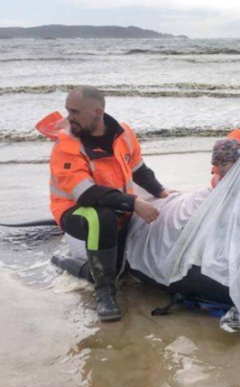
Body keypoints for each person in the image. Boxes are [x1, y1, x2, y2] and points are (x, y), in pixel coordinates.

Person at [37, 86, 175, 321]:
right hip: (75, 210)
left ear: (98, 112)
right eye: (68, 110)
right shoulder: (67, 145)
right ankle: (104, 294)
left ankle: (84, 268)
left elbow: (138, 168)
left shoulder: (123, 134)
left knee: (117, 270)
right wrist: (134, 202)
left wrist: (161, 192)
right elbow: (86, 195)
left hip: (115, 206)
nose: (69, 117)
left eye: (75, 112)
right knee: (101, 217)